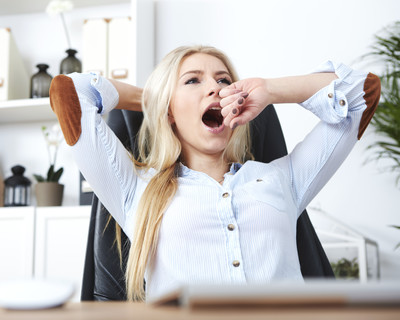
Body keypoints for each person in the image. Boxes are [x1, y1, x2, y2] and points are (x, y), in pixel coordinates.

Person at [49, 45, 381, 302]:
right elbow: (70, 92)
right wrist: (153, 100)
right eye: (193, 80)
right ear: (170, 111)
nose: (217, 89)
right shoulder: (137, 190)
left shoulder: (282, 180)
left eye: (224, 80)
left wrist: (269, 90)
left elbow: (361, 94)